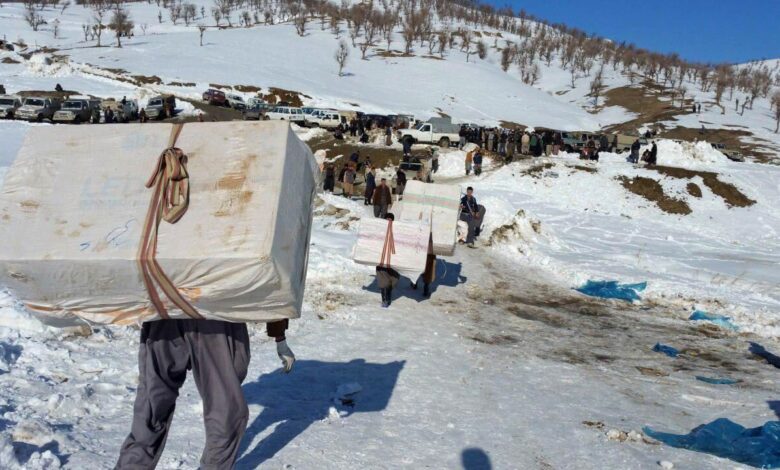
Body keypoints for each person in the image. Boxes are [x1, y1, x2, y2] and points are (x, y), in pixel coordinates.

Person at [115, 318, 295, 469]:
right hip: (166, 315)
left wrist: (279, 333)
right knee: (151, 409)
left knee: (226, 411)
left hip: (217, 316)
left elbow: (274, 278)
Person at [376, 213, 400, 308]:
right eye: (387, 219)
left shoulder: (397, 230)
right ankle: (385, 300)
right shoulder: (379, 230)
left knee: (393, 280)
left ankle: (388, 294)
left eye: (390, 219)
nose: (388, 222)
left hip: (393, 260)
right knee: (383, 281)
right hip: (381, 260)